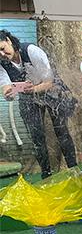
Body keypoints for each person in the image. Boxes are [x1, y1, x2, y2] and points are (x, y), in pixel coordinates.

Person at [0, 29, 77, 178]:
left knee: (61, 132)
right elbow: (6, 88)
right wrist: (8, 94)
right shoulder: (1, 64)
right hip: (28, 98)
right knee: (36, 137)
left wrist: (34, 89)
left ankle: (74, 169)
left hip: (51, 92)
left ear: (8, 40)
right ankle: (46, 174)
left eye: (2, 48)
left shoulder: (31, 51)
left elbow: (50, 81)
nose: (2, 54)